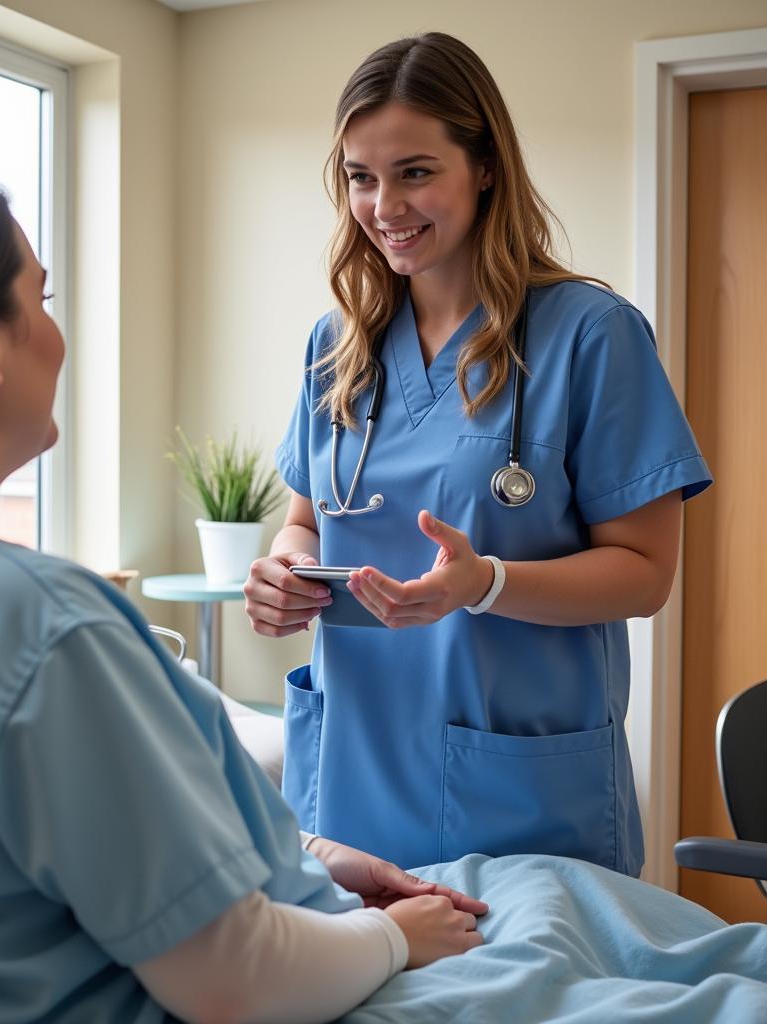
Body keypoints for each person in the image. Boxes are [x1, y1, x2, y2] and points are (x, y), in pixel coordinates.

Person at [0, 158, 486, 1024]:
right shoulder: (30, 623)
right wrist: (401, 936)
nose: (57, 338)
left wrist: (308, 856)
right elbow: (237, 980)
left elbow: (20, 864)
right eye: (44, 300)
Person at [244, 33, 712, 874]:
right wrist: (285, 574)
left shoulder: (591, 335)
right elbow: (302, 527)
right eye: (360, 176)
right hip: (350, 778)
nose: (384, 204)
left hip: (519, 796)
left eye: (415, 171)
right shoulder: (337, 345)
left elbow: (645, 574)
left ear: (485, 166)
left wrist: (486, 583)